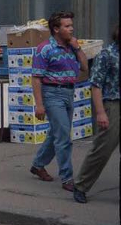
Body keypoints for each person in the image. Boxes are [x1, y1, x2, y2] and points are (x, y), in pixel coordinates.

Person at [29, 11, 88, 192]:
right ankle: (67, 178)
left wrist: (77, 48)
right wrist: (39, 105)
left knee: (56, 133)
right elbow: (36, 78)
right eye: (67, 26)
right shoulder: (44, 49)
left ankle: (38, 164)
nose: (71, 29)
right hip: (52, 93)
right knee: (63, 137)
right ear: (56, 29)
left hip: (69, 92)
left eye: (71, 25)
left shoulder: (71, 47)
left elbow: (85, 67)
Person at [74, 25, 119, 203]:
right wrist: (100, 112)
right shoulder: (107, 54)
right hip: (112, 104)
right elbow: (95, 85)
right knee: (103, 149)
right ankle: (81, 185)